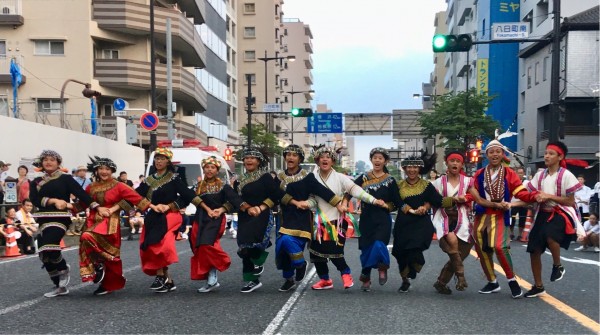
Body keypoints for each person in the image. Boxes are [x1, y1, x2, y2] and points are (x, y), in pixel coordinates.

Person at [306, 146, 387, 291]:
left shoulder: (340, 178)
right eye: (322, 157)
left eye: (328, 157)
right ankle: (325, 280)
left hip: (336, 221)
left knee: (334, 250)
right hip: (318, 221)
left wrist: (374, 200)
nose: (325, 159)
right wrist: (306, 204)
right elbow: (312, 199)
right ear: (317, 160)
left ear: (333, 161)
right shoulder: (312, 178)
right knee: (316, 252)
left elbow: (356, 190)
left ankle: (345, 274)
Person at [469, 140, 539, 299]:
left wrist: (534, 196)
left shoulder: (509, 174)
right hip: (481, 216)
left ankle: (511, 279)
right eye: (491, 152)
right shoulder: (479, 174)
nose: (494, 154)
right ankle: (492, 281)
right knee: (482, 249)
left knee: (500, 247)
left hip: (500, 215)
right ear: (486, 155)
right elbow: (471, 193)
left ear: (503, 154)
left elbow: (521, 193)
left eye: (497, 151)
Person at [28, 150, 102, 297]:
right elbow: (35, 200)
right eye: (46, 160)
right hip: (42, 218)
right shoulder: (36, 181)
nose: (48, 162)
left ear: (58, 163)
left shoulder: (66, 179)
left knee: (50, 245)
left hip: (60, 218)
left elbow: (81, 195)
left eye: (52, 160)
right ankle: (59, 286)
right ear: (42, 163)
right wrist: (53, 201)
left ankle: (63, 270)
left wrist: (97, 207)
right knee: (43, 253)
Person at [274, 144, 344, 292]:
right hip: (283, 217)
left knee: (289, 241)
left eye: (294, 155)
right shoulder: (279, 177)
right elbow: (274, 195)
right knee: (281, 249)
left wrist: (338, 203)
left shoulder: (307, 176)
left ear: (300, 159)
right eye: (288, 154)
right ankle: (288, 278)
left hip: (301, 218)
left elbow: (321, 191)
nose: (290, 157)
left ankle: (300, 263)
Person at [520, 141, 586, 298]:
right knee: (534, 249)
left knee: (551, 235)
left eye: (551, 153)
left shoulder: (566, 175)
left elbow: (570, 201)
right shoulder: (540, 175)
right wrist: (513, 204)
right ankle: (538, 286)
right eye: (546, 153)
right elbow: (530, 196)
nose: (547, 156)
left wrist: (548, 196)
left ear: (560, 156)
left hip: (561, 212)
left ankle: (558, 265)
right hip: (542, 213)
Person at [78, 157, 150, 296]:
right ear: (96, 171)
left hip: (110, 223)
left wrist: (113, 209)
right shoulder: (91, 187)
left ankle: (107, 284)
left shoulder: (119, 185)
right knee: (86, 237)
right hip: (93, 221)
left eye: (107, 169)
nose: (104, 171)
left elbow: (133, 199)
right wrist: (67, 206)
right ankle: (98, 267)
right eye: (101, 169)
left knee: (110, 254)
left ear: (112, 171)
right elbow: (83, 202)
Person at [135, 147, 202, 293]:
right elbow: (135, 196)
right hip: (153, 216)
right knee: (151, 245)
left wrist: (169, 206)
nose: (159, 161)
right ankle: (168, 280)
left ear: (168, 161)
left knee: (162, 244)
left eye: (162, 159)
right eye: (157, 158)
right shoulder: (148, 180)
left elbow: (186, 195)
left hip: (170, 215)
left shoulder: (174, 178)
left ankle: (160, 275)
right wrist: (150, 205)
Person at [392, 154, 454, 293]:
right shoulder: (399, 185)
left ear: (419, 168)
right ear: (404, 168)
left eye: (415, 167)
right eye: (409, 167)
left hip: (421, 223)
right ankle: (405, 280)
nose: (412, 170)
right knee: (400, 252)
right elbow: (396, 202)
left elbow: (438, 200)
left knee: (415, 250)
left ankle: (414, 266)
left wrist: (457, 199)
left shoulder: (426, 185)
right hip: (403, 223)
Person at [348, 147, 403, 292]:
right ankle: (366, 274)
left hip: (382, 218)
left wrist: (387, 205)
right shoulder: (363, 177)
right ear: (371, 160)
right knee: (366, 248)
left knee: (379, 244)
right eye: (375, 157)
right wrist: (342, 202)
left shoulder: (390, 180)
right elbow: (350, 189)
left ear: (385, 161)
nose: (377, 160)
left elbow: (397, 202)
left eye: (380, 158)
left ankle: (382, 267)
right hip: (366, 218)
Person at [191, 156, 242, 293]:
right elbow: (190, 198)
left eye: (212, 167)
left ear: (217, 170)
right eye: (207, 167)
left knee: (207, 244)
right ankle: (210, 277)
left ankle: (219, 264)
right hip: (200, 218)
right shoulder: (198, 186)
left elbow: (234, 200)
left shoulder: (223, 186)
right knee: (198, 247)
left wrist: (221, 210)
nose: (209, 170)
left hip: (215, 219)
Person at [233, 147, 280, 293]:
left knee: (256, 244)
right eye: (246, 158)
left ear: (258, 161)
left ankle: (258, 262)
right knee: (244, 248)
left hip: (263, 214)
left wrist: (261, 207)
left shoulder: (265, 177)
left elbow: (275, 195)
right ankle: (251, 281)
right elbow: (235, 199)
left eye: (252, 158)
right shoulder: (238, 180)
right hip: (245, 216)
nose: (249, 160)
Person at [431, 151, 475, 295]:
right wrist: (453, 200)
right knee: (452, 243)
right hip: (443, 218)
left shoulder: (468, 181)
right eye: (452, 161)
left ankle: (441, 282)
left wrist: (466, 198)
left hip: (462, 219)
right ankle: (461, 277)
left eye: (458, 161)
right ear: (447, 163)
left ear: (462, 164)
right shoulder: (438, 182)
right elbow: (433, 200)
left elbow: (476, 196)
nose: (455, 163)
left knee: (462, 252)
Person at [67, 165, 92, 236]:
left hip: (84, 199)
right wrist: (73, 198)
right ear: (77, 172)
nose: (82, 172)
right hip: (75, 199)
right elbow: (70, 190)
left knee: (84, 216)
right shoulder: (74, 179)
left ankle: (78, 230)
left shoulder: (88, 180)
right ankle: (71, 230)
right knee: (74, 216)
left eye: (84, 171)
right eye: (80, 171)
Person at [510, 166, 530, 241]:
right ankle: (511, 233)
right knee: (512, 218)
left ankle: (520, 234)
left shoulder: (527, 183)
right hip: (514, 203)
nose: (520, 174)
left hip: (523, 204)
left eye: (521, 173)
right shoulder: (512, 181)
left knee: (522, 219)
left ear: (524, 173)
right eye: (518, 173)